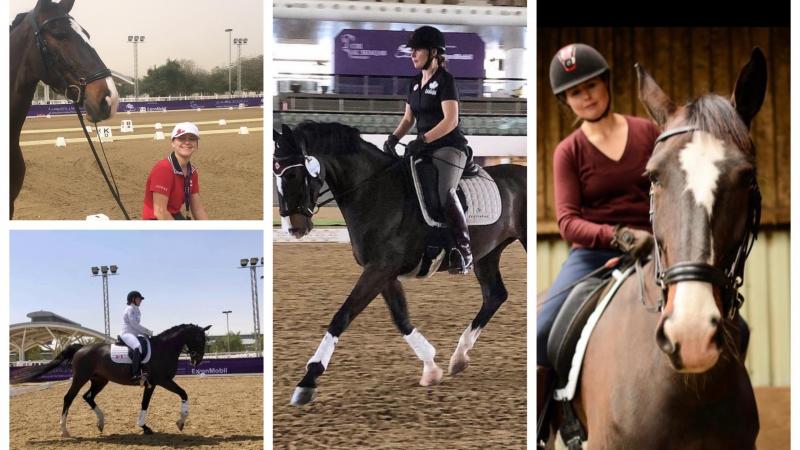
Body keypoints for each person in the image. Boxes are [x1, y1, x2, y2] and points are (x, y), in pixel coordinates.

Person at [536, 43, 657, 445]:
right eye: (575, 91)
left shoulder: (647, 133)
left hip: (656, 248)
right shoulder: (568, 151)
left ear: (606, 84)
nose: (585, 96)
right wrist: (618, 236)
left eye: (590, 85)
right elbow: (568, 221)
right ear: (566, 100)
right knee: (540, 332)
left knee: (734, 323)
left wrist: (653, 237)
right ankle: (540, 430)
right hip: (593, 254)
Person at [383, 25, 473, 274]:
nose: (412, 55)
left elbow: (450, 120)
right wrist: (393, 138)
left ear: (433, 52)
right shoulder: (413, 84)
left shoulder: (446, 81)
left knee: (444, 192)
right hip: (423, 148)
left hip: (449, 147)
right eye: (411, 50)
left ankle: (464, 251)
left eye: (417, 50)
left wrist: (424, 139)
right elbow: (408, 119)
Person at [142, 122, 208, 220]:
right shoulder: (164, 169)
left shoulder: (192, 172)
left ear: (197, 145)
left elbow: (197, 209)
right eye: (181, 138)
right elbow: (159, 212)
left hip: (174, 216)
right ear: (172, 143)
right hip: (155, 223)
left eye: (192, 139)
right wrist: (181, 234)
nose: (187, 142)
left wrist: (210, 231)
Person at [121, 291, 153, 383]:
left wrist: (144, 334)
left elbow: (136, 327)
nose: (140, 301)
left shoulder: (137, 310)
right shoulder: (130, 309)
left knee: (146, 342)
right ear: (133, 299)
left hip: (134, 334)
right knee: (137, 346)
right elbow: (134, 324)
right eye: (139, 299)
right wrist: (146, 331)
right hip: (126, 334)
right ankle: (135, 374)